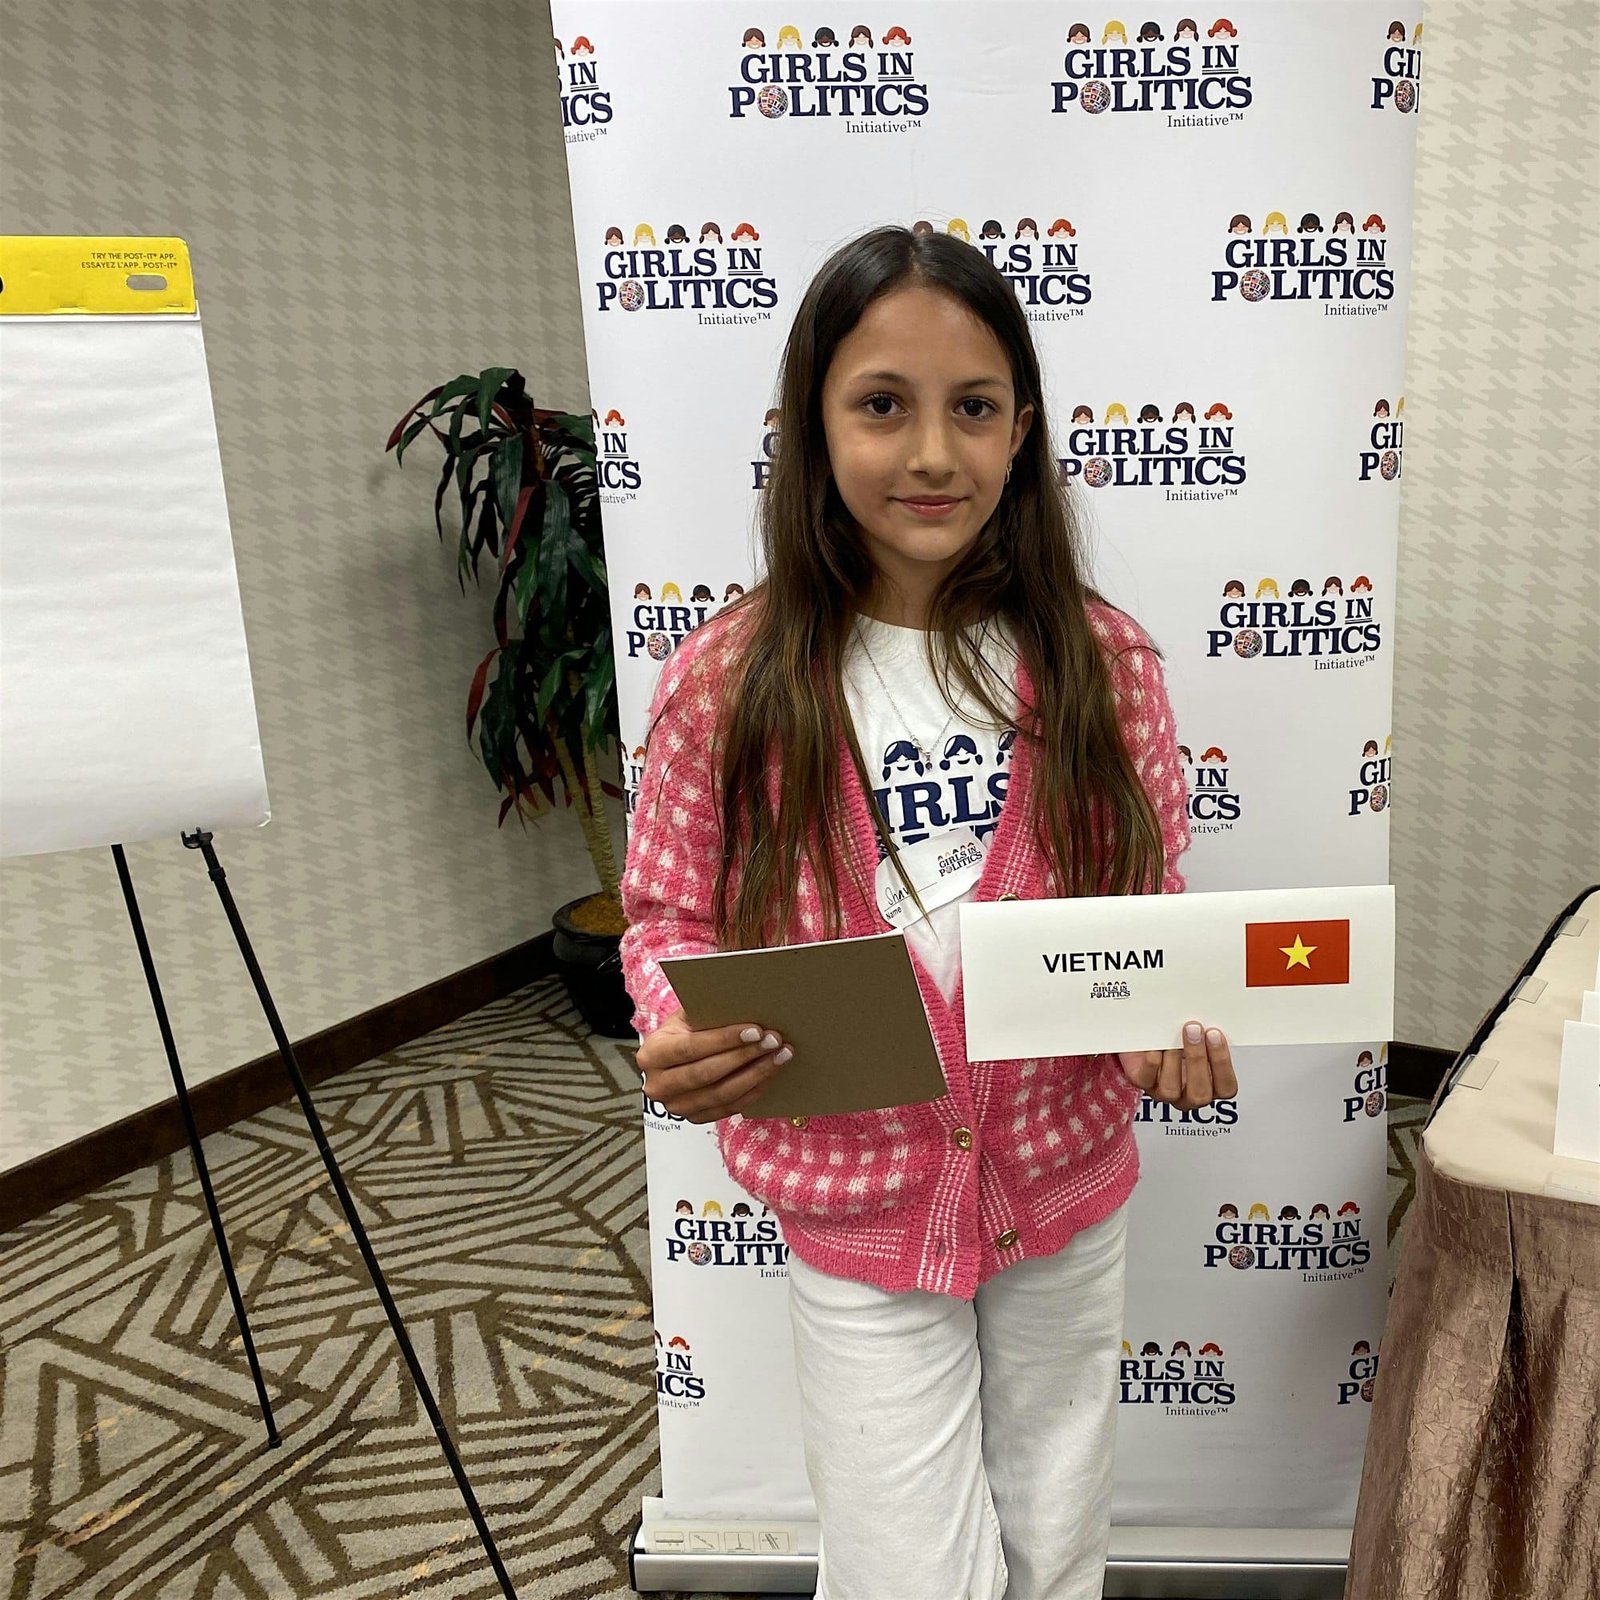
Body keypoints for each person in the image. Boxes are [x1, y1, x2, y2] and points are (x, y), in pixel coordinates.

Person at [618, 225, 1238, 1600]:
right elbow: (665, 914)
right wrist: (677, 1022)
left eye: (974, 407)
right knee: (904, 1564)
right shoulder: (730, 680)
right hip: (861, 1187)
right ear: (811, 426)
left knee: (1057, 1531)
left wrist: (1159, 1022)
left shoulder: (1102, 662)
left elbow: (1146, 900)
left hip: (1061, 1168)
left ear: (1023, 428)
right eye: (882, 405)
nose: (933, 454)